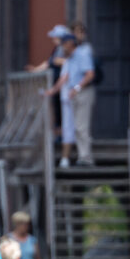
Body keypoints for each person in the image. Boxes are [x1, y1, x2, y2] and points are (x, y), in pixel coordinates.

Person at [46, 32, 96, 168]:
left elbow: (90, 74)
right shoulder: (70, 58)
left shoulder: (82, 54)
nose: (62, 47)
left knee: (81, 126)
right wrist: (52, 91)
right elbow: (65, 77)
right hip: (74, 94)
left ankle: (86, 157)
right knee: (77, 127)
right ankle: (82, 156)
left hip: (83, 92)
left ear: (70, 43)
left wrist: (77, 87)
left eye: (64, 44)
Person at [28, 24, 70, 138]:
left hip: (64, 84)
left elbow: (68, 62)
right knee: (57, 109)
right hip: (56, 83)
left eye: (55, 37)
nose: (53, 40)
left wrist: (59, 61)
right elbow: (49, 62)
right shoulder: (56, 50)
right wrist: (35, 70)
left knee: (63, 111)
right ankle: (59, 133)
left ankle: (63, 135)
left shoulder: (66, 49)